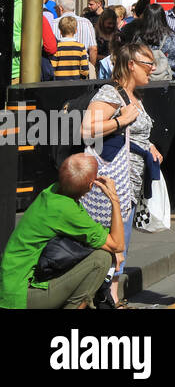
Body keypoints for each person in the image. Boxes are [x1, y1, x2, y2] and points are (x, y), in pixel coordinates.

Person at [79, 42, 164, 305]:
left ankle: (112, 296)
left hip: (130, 184)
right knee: (112, 243)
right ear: (130, 65)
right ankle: (103, 298)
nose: (153, 69)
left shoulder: (133, 95)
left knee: (121, 244)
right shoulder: (111, 93)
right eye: (147, 64)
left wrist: (149, 145)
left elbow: (135, 134)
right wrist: (121, 120)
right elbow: (86, 130)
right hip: (111, 183)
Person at [0, 154, 124, 309]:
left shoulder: (54, 192)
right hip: (21, 296)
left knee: (105, 251)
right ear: (91, 185)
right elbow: (118, 244)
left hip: (12, 286)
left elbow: (101, 236)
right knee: (102, 259)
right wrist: (114, 199)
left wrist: (112, 247)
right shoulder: (64, 210)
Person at [122, 4, 175, 81]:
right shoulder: (172, 38)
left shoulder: (137, 38)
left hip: (142, 83)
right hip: (167, 85)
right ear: (163, 17)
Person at [56, 0, 97, 69]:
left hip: (60, 67)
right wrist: (91, 67)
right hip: (82, 67)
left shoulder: (54, 23)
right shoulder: (86, 23)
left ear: (60, 8)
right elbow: (93, 49)